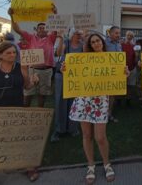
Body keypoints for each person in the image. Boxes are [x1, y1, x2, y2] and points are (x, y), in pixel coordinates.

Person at [66, 33, 129, 184]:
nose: (95, 43)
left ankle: (107, 163)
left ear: (102, 42)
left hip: (100, 100)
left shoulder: (112, 58)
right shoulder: (82, 59)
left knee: (100, 137)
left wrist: (124, 74)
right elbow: (72, 74)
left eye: (97, 41)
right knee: (87, 135)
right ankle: (91, 165)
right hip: (83, 99)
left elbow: (116, 79)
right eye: (92, 42)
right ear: (89, 45)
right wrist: (66, 69)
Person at [0, 42, 39, 185]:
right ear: (0, 55)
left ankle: (29, 167)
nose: (13, 55)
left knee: (21, 140)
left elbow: (26, 86)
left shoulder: (21, 68)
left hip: (16, 110)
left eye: (14, 52)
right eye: (9, 53)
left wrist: (33, 82)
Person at [8, 7, 59, 108]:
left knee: (42, 94)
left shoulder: (51, 38)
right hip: (32, 70)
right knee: (28, 93)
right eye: (40, 28)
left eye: (44, 28)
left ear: (48, 29)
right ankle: (25, 113)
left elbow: (57, 25)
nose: (42, 29)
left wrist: (55, 13)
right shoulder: (30, 37)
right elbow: (17, 29)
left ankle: (39, 115)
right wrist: (12, 16)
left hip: (46, 70)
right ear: (36, 29)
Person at [50, 29, 84, 142]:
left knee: (74, 102)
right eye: (77, 34)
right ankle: (59, 129)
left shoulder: (83, 45)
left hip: (76, 76)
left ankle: (73, 128)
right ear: (71, 35)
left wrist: (86, 36)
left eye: (80, 34)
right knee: (60, 102)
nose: (78, 36)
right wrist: (59, 38)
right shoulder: (65, 42)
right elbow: (58, 53)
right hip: (62, 75)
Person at [105, 26, 122, 122]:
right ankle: (102, 114)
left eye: (119, 33)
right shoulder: (104, 43)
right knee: (105, 95)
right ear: (110, 33)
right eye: (116, 33)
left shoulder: (119, 44)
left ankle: (109, 114)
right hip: (106, 73)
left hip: (115, 74)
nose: (118, 35)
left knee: (112, 95)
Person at [121, 31, 136, 106]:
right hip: (122, 68)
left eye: (131, 36)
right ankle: (119, 99)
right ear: (126, 35)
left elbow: (135, 57)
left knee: (130, 85)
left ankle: (128, 99)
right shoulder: (121, 45)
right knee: (122, 84)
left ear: (133, 37)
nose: (129, 37)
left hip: (131, 68)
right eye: (128, 35)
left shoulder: (134, 46)